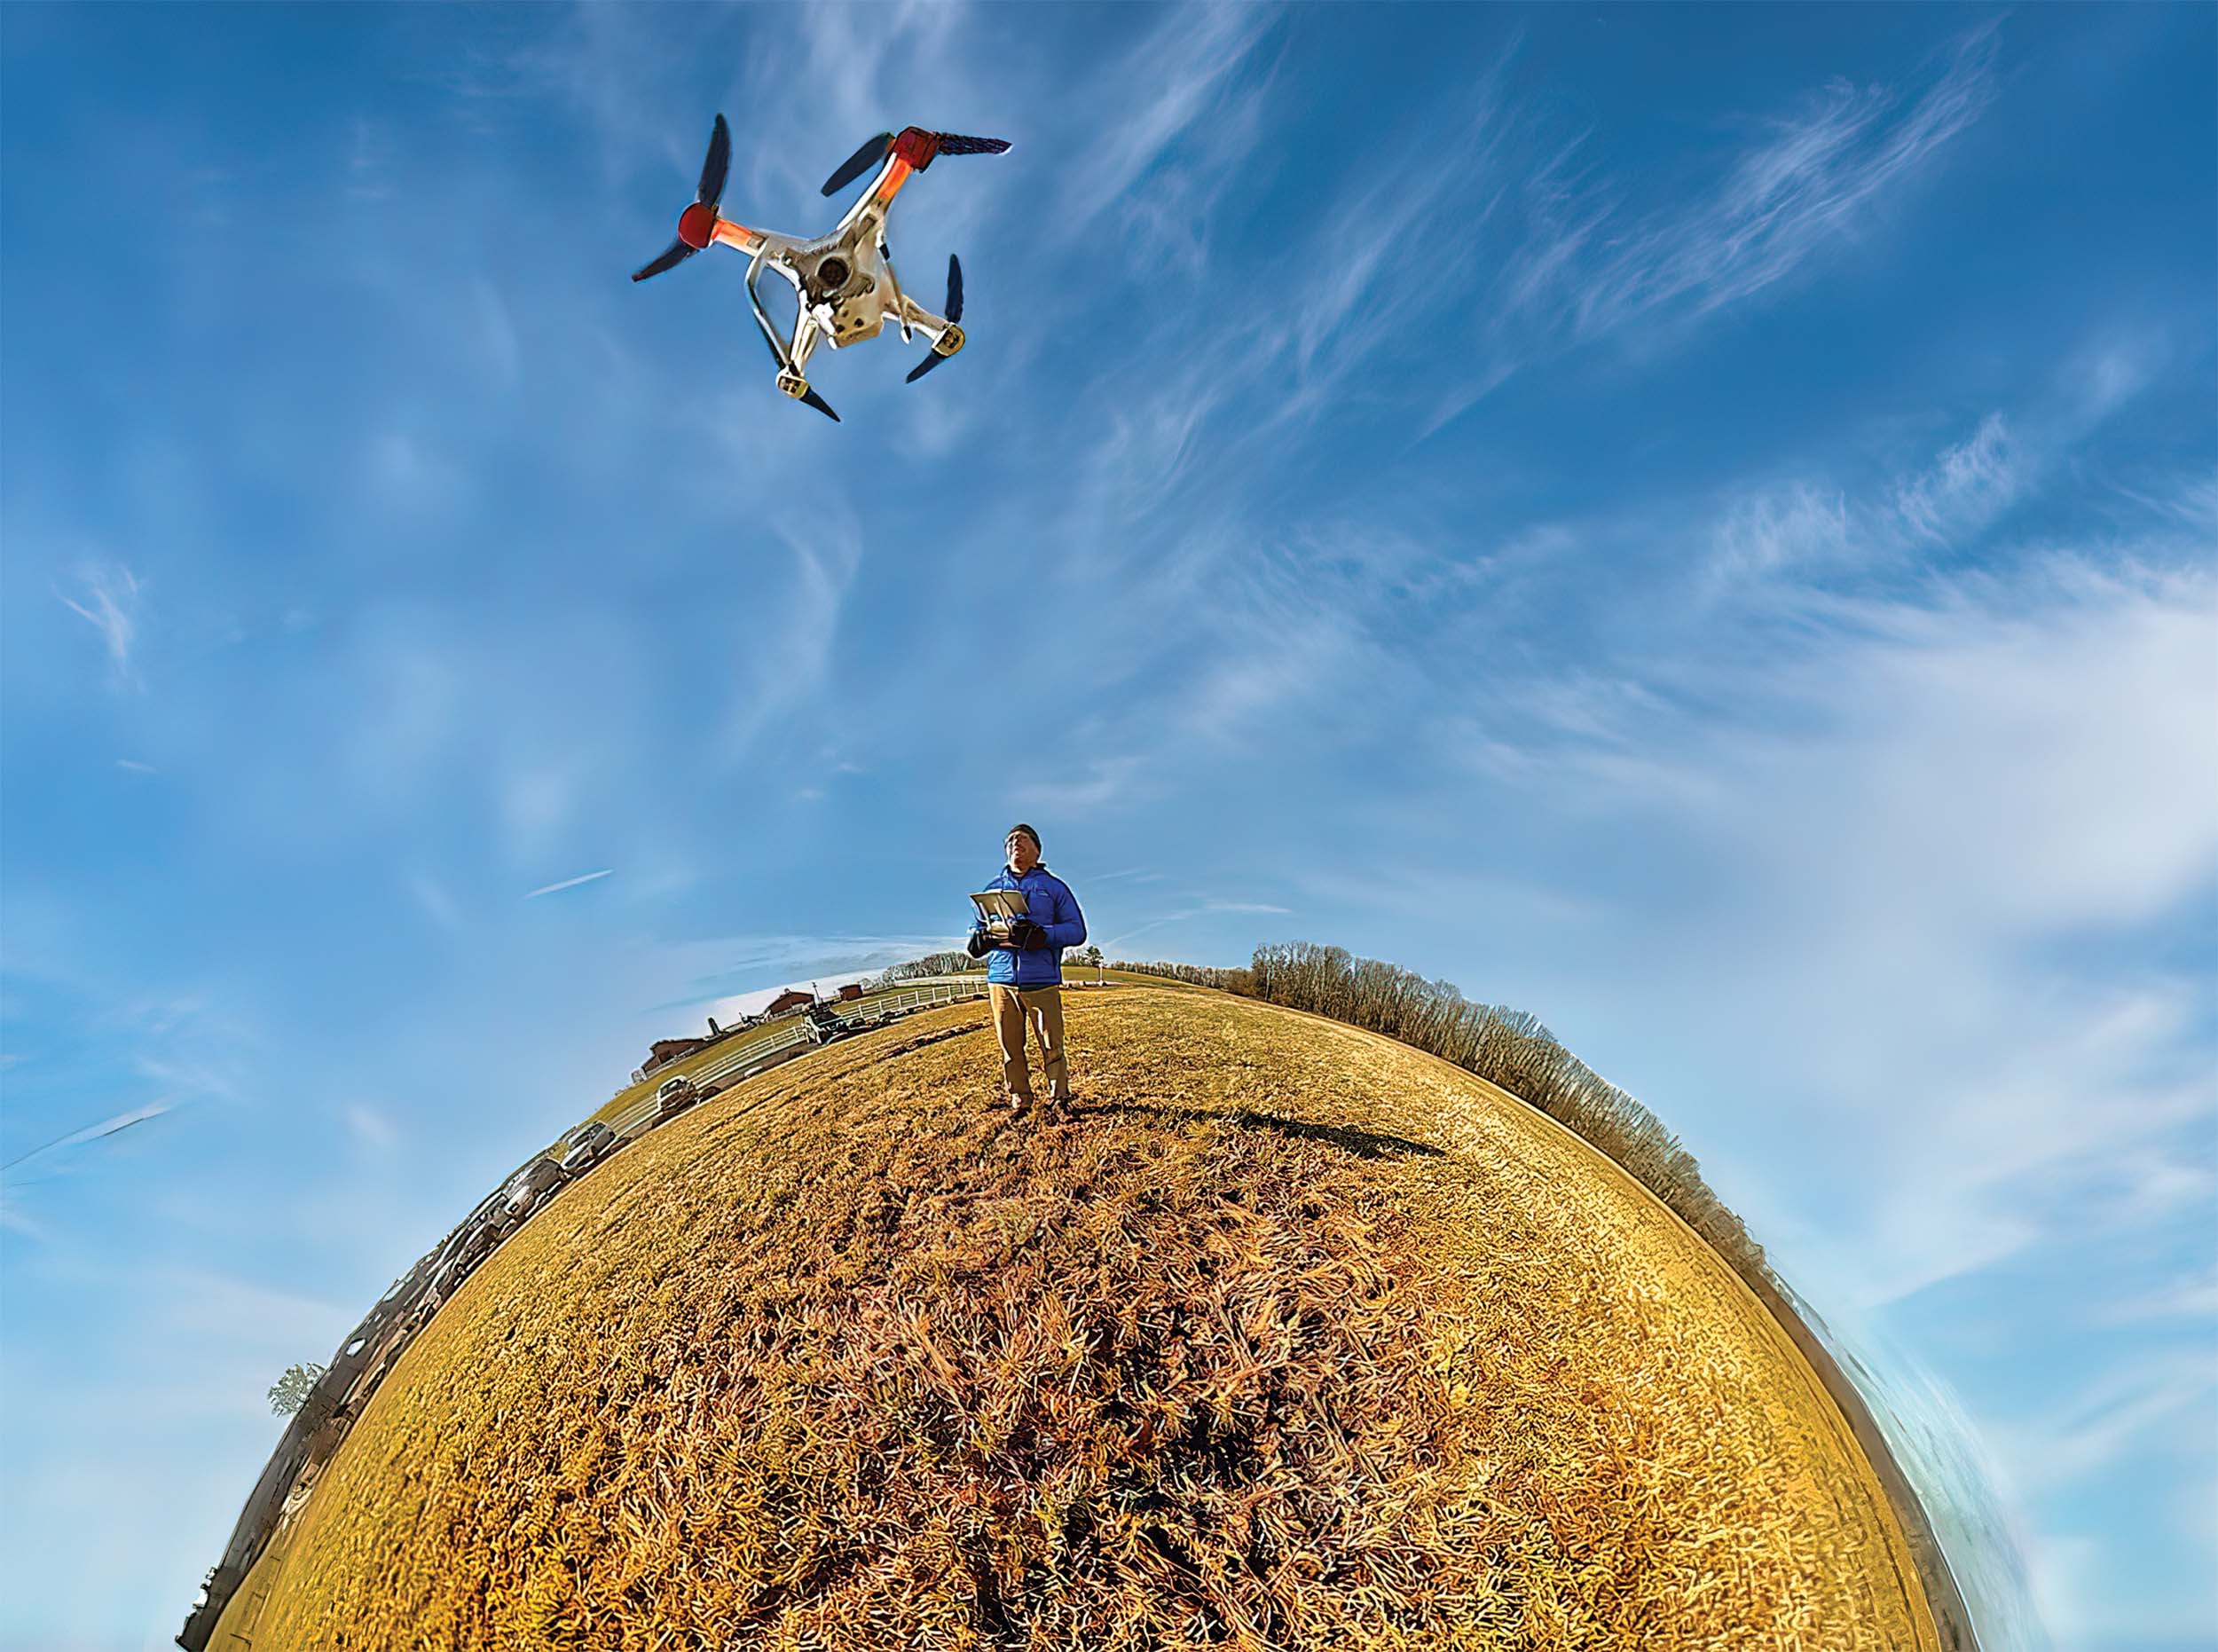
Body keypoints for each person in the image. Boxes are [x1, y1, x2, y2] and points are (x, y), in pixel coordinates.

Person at [966, 823, 1086, 1116]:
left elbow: (1077, 930)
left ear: (1037, 850)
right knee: (1010, 1045)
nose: (1014, 844)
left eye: (1021, 840)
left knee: (1051, 1043)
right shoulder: (990, 889)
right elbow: (977, 926)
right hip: (1001, 981)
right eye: (1009, 842)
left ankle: (1060, 1097)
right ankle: (1020, 1098)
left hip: (1040, 980)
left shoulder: (1054, 888)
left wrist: (1043, 935)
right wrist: (977, 939)